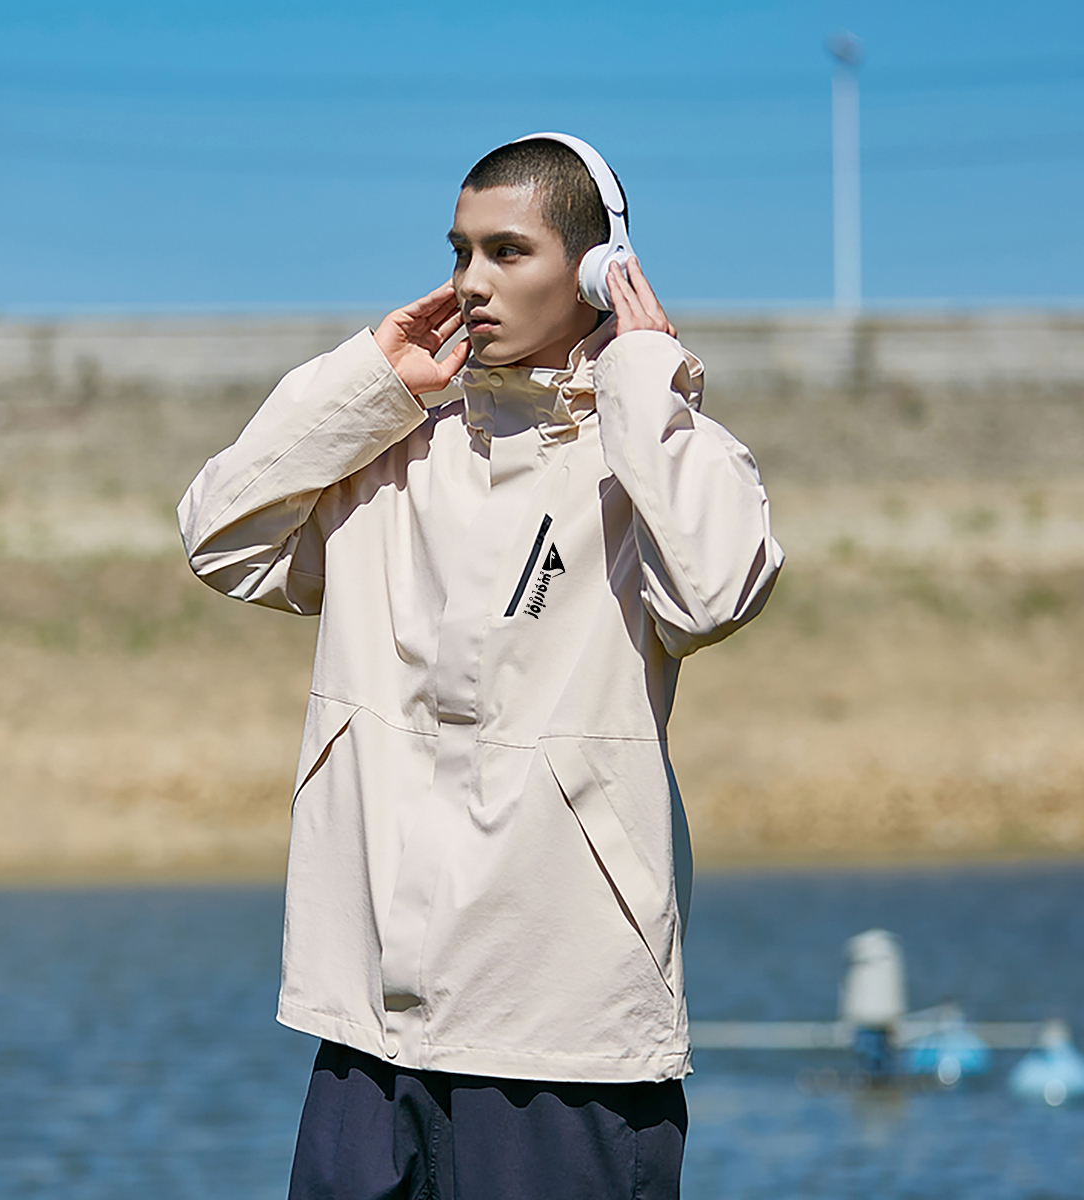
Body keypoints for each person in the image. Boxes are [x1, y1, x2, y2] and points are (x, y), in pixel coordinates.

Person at [179, 134, 783, 1200]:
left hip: (565, 1036)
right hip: (368, 1028)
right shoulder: (392, 453)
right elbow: (222, 541)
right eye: (460, 250)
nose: (470, 280)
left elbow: (716, 592)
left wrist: (643, 385)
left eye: (508, 251)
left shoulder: (655, 457)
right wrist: (367, 383)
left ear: (598, 271)